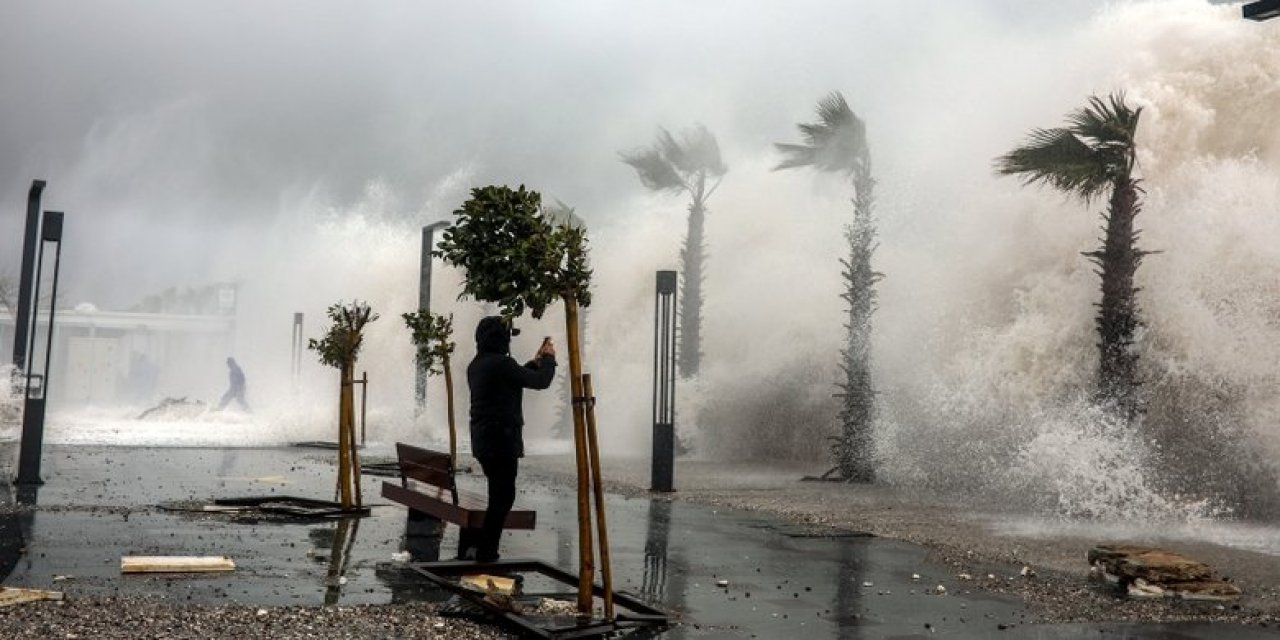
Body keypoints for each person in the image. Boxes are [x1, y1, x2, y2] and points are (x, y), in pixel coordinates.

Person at [460, 316, 556, 562]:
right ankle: (486, 552)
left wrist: (533, 363)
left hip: (484, 441)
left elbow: (514, 377)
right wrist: (548, 360)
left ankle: (486, 549)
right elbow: (540, 382)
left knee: (499, 495)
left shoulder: (478, 364)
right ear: (501, 339)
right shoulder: (502, 364)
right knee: (503, 497)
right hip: (502, 440)